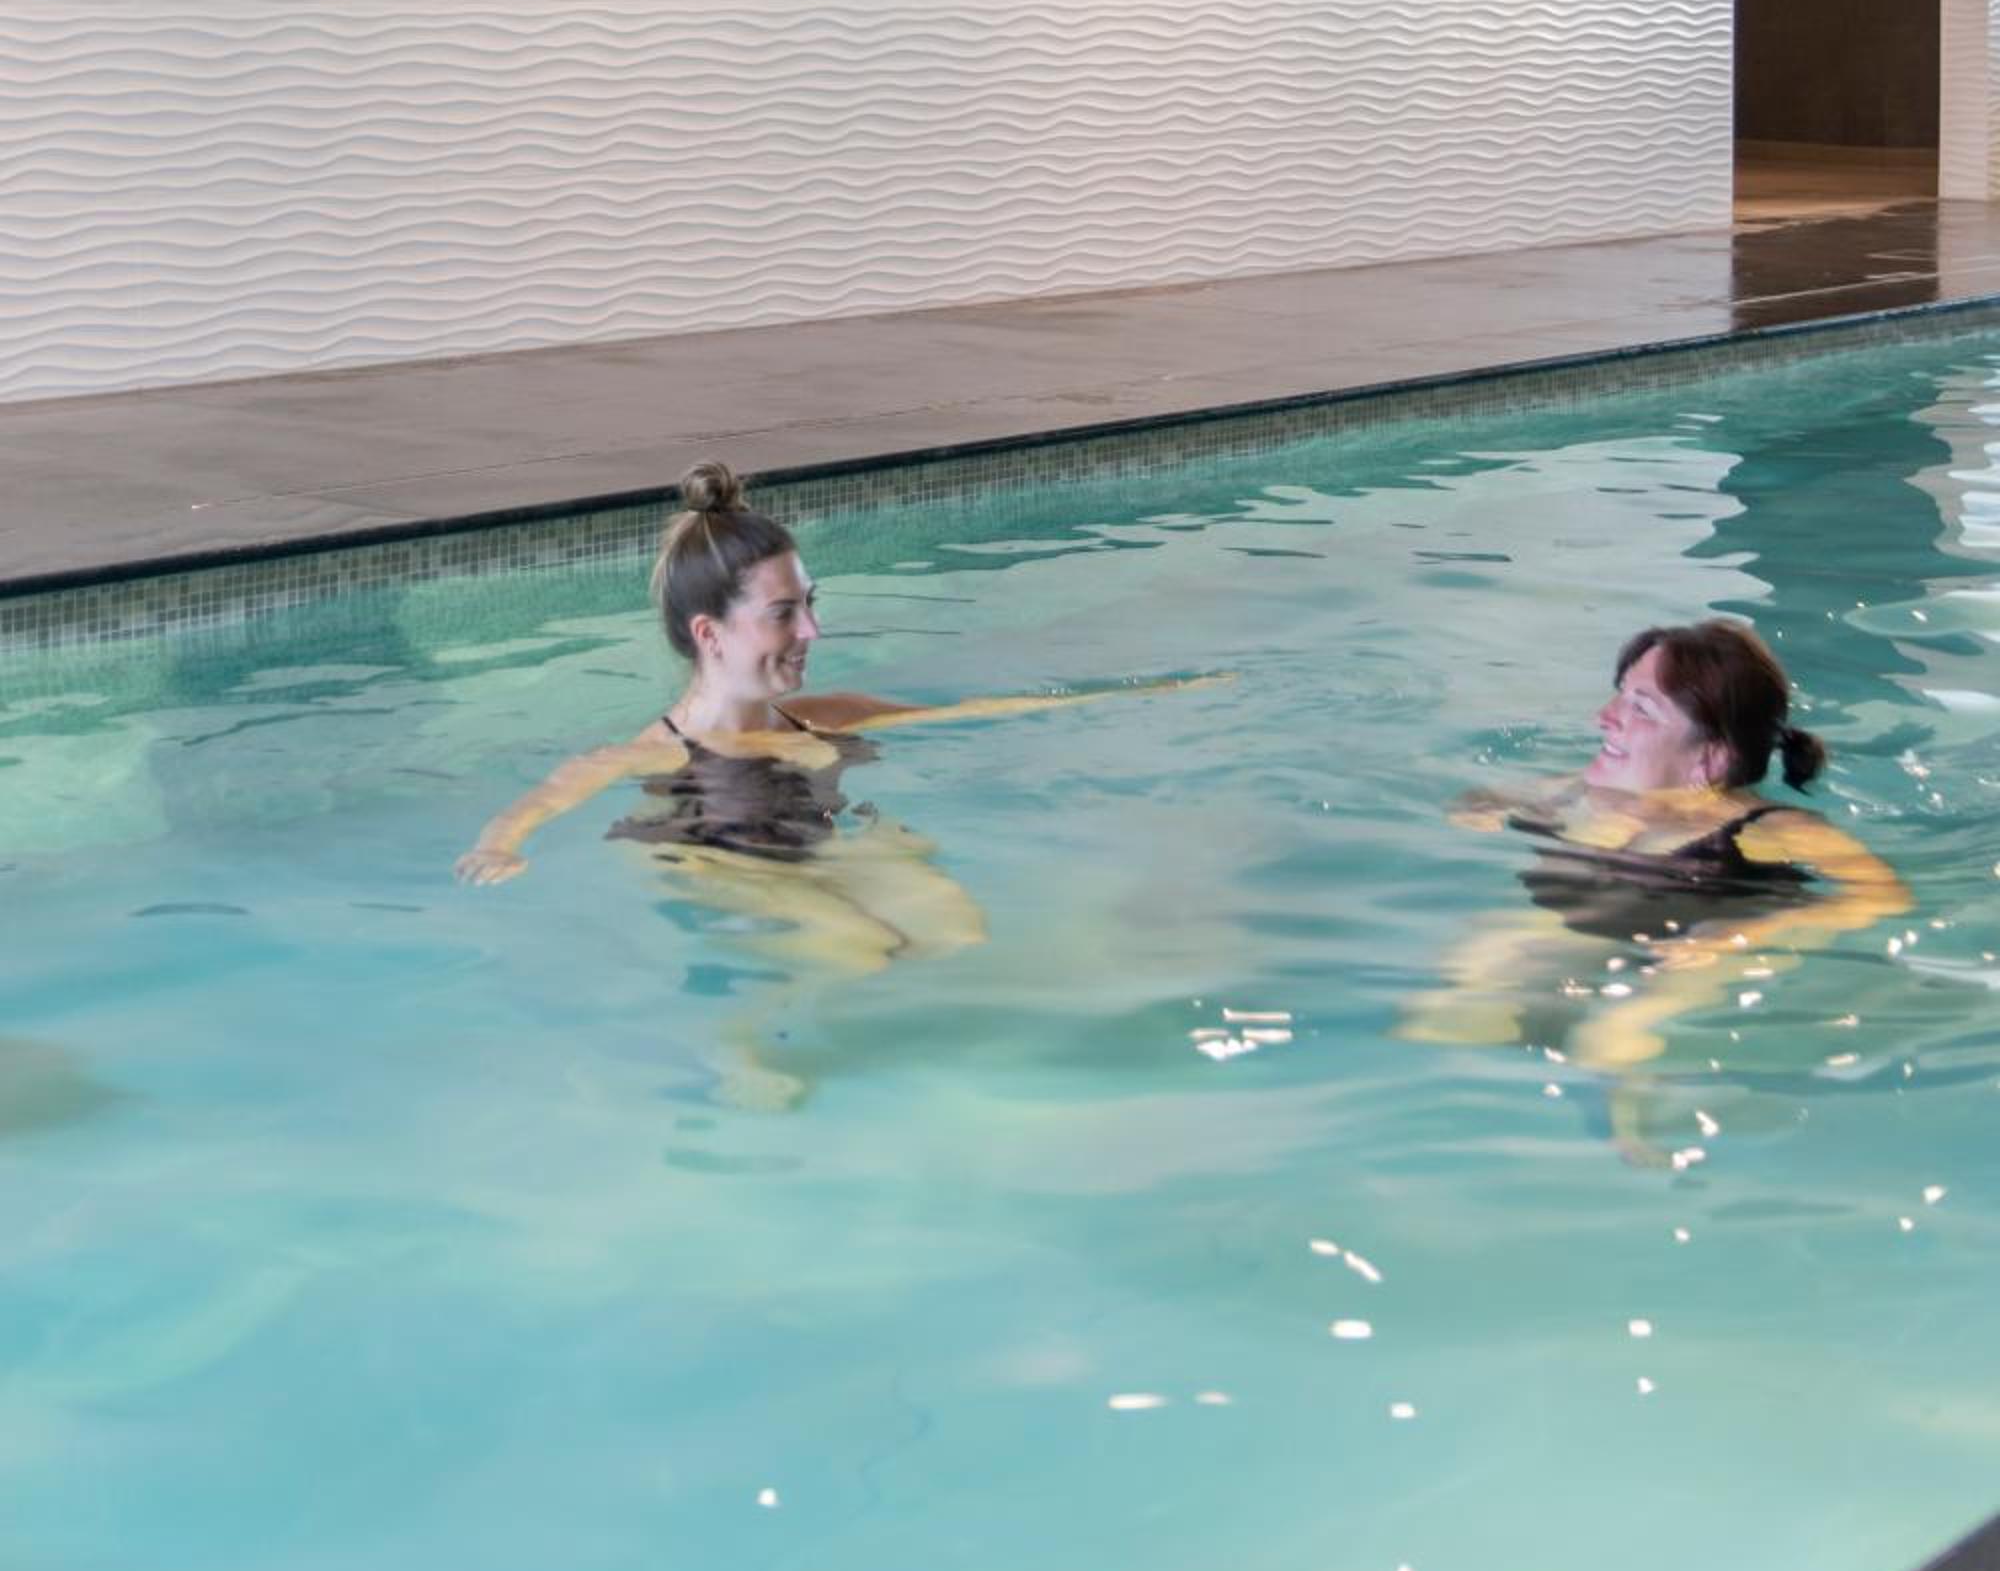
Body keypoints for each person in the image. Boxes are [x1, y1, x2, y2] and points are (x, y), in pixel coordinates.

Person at [457, 460, 1214, 999]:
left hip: (814, 843)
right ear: (710, 633)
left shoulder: (824, 715)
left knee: (958, 935)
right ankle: (752, 1045)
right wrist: (500, 845)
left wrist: (1148, 692)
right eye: (784, 613)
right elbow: (544, 799)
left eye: (810, 605)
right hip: (709, 859)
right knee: (860, 950)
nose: (813, 631)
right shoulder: (651, 753)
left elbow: (973, 710)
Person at [1402, 618, 1908, 1094]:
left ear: (1710, 758)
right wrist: (1480, 811)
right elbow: (1483, 800)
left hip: (1694, 947)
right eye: (1620, 695)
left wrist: (1744, 936)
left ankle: (1640, 1133)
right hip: (1580, 928)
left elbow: (1883, 897)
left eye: (1641, 708)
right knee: (1456, 992)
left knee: (1611, 1039)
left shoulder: (1770, 826)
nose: (1604, 718)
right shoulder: (1580, 790)